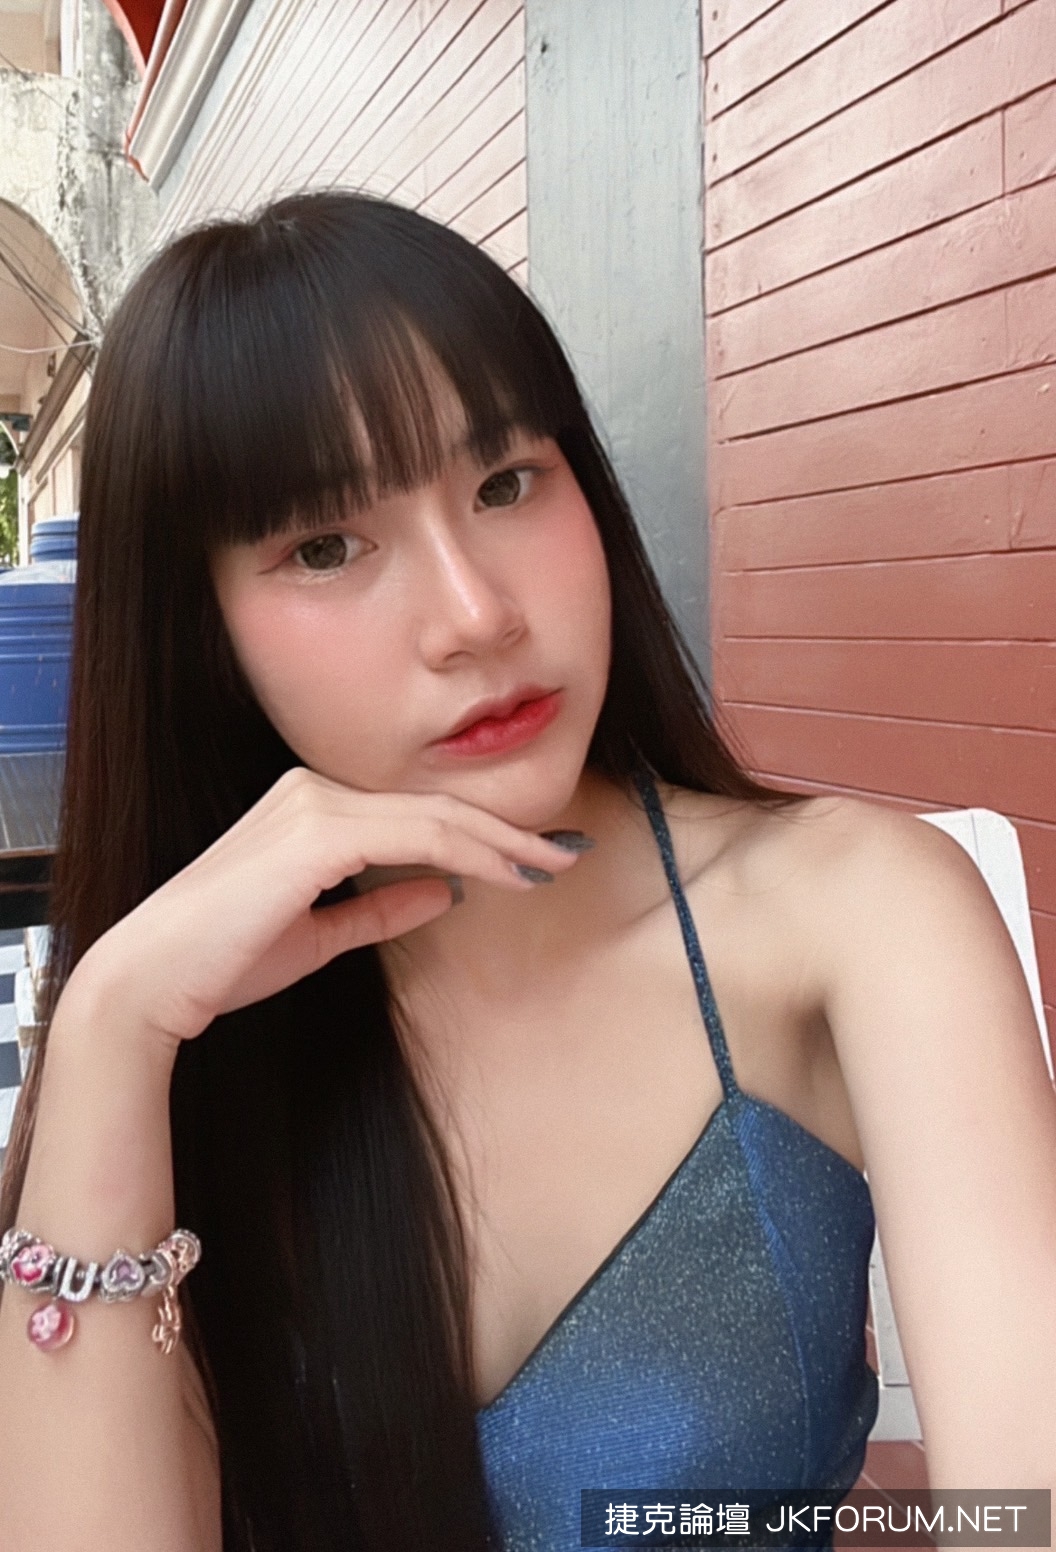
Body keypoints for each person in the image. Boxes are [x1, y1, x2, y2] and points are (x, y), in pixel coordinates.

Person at [0, 189, 1053, 1552]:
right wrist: (112, 1026)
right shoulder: (180, 1028)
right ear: (200, 629)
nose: (475, 615)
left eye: (505, 482)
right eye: (326, 547)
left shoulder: (856, 915)